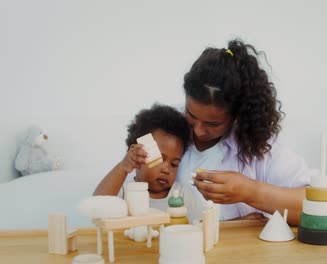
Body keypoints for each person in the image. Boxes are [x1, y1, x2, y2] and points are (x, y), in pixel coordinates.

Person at [176, 39, 315, 225]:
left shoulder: (257, 146)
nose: (199, 131)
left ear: (237, 116)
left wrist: (250, 192)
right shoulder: (168, 131)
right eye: (191, 115)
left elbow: (314, 207)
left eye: (213, 123)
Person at [94, 103, 205, 220]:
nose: (166, 169)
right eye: (160, 159)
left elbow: (202, 223)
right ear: (136, 155)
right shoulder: (123, 190)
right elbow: (97, 207)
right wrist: (123, 167)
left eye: (174, 164)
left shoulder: (182, 194)